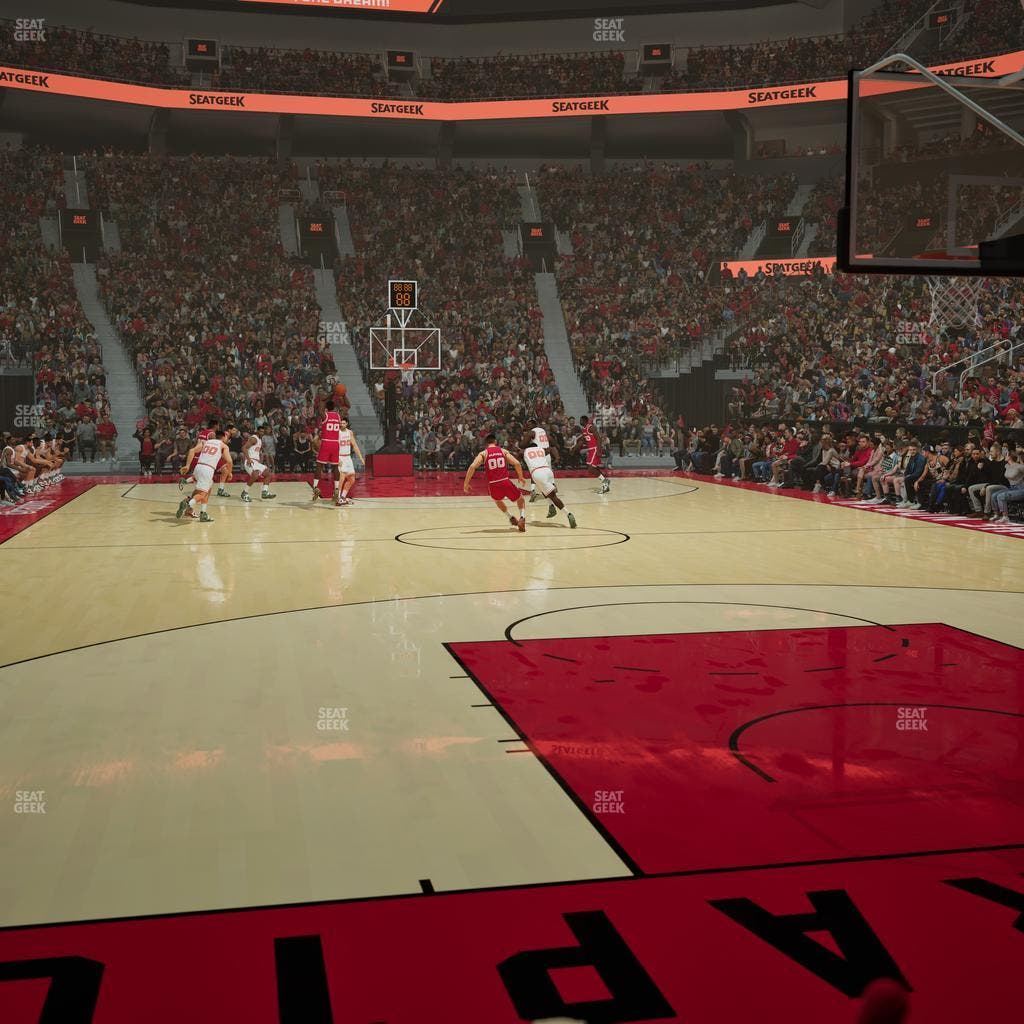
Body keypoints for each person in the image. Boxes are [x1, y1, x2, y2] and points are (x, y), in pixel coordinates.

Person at [463, 432, 528, 532]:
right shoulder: (503, 451)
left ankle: (510, 517)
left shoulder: (484, 453)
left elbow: (472, 467)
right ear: (495, 442)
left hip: (493, 484)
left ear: (486, 444)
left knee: (498, 500)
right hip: (505, 481)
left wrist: (466, 483)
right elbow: (517, 463)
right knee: (520, 499)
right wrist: (520, 476)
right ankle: (522, 518)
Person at [521, 429, 576, 528]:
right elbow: (552, 448)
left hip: (538, 473)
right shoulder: (541, 449)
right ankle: (551, 507)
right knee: (546, 491)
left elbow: (517, 455)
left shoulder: (525, 451)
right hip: (548, 471)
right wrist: (557, 458)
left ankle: (568, 514)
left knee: (552, 496)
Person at [176, 429, 231, 523]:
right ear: (223, 437)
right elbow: (229, 461)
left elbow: (192, 450)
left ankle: (203, 513)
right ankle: (188, 504)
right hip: (208, 470)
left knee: (208, 488)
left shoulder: (205, 442)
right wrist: (229, 472)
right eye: (227, 436)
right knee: (202, 494)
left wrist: (188, 465)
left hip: (198, 467)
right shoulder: (223, 446)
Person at [312, 400, 342, 502]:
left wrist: (326, 399)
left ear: (326, 408)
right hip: (335, 443)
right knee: (335, 467)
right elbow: (347, 407)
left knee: (319, 466)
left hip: (326, 442)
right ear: (334, 407)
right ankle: (337, 489)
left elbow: (318, 409)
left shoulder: (325, 415)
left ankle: (315, 487)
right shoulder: (338, 416)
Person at [576, 415, 611, 492]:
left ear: (585, 421)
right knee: (591, 468)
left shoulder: (591, 427)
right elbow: (583, 440)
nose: (580, 422)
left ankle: (605, 482)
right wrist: (575, 448)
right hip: (591, 450)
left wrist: (599, 450)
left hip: (595, 449)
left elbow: (599, 439)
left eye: (581, 420)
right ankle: (605, 481)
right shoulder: (584, 429)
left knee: (591, 468)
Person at [335, 416, 364, 507]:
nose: (341, 425)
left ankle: (343, 496)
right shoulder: (337, 433)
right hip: (340, 457)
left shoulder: (349, 432)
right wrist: (337, 458)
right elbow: (334, 447)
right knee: (342, 478)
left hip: (348, 458)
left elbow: (355, 446)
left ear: (347, 424)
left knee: (352, 479)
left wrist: (361, 458)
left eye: (343, 423)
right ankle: (338, 498)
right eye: (340, 423)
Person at [240, 433, 277, 502]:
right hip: (250, 460)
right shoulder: (254, 438)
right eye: (261, 430)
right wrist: (248, 459)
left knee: (268, 472)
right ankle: (244, 492)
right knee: (255, 474)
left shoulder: (259, 440)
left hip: (256, 462)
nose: (263, 432)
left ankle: (264, 492)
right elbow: (243, 448)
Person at [526, 421, 551, 503]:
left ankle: (533, 490)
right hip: (546, 454)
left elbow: (524, 442)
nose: (528, 426)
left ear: (534, 425)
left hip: (539, 454)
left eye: (529, 425)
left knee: (534, 472)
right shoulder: (542, 431)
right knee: (547, 473)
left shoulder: (533, 432)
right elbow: (549, 438)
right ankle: (550, 490)